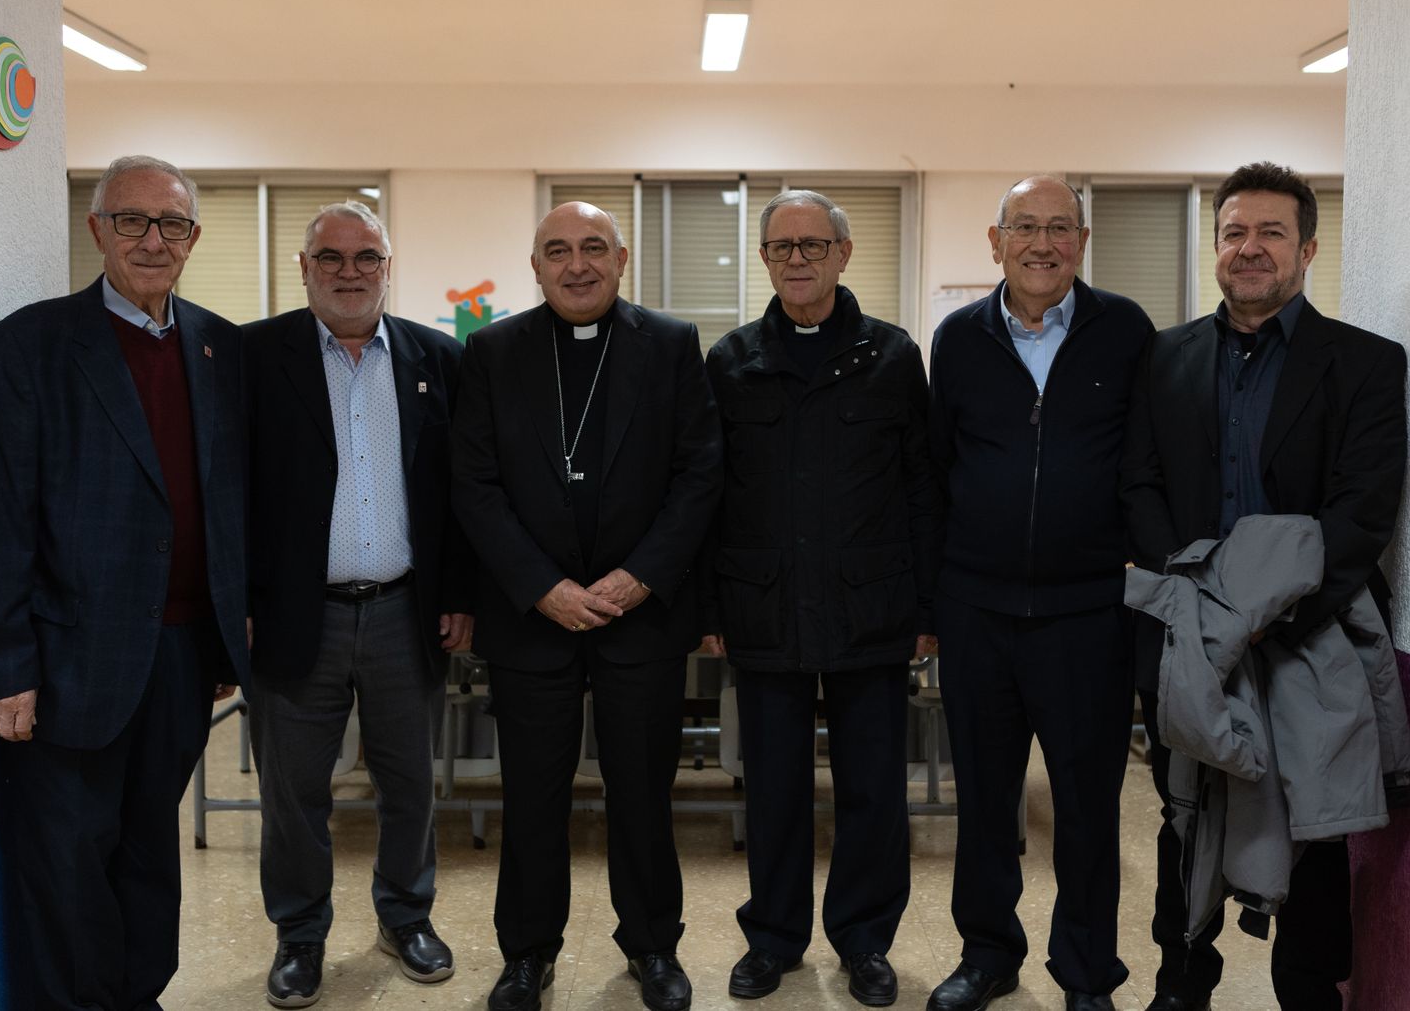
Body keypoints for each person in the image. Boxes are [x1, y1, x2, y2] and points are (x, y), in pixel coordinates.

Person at [0, 154, 248, 1009]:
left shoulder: (219, 345)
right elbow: (1, 511)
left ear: (193, 237)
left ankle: (138, 996)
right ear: (97, 230)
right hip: (69, 661)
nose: (153, 240)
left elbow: (227, 499)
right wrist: (5, 667)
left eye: (172, 224)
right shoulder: (32, 344)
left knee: (151, 852)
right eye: (132, 221)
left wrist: (226, 632)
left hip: (182, 652)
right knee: (67, 860)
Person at [1120, 161, 1408, 1011]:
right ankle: (1182, 984)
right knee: (1186, 814)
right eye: (1235, 232)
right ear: (1214, 245)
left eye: (1271, 233)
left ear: (1308, 248)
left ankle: (1308, 992)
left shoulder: (1365, 363)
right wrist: (1205, 610)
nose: (1250, 248)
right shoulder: (1162, 357)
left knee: (1315, 827)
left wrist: (1265, 615)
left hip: (1309, 639)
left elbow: (1363, 511)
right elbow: (1138, 487)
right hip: (1189, 640)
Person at [451, 201, 723, 1011]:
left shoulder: (670, 345)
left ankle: (653, 946)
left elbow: (699, 473)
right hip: (532, 620)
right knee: (533, 797)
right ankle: (527, 953)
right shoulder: (493, 351)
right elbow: (473, 483)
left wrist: (640, 576)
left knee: (643, 794)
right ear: (535, 266)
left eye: (594, 247)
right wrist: (542, 587)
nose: (578, 265)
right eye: (559, 250)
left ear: (622, 259)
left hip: (640, 617)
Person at [700, 189, 941, 1007]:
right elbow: (709, 493)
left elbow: (921, 487)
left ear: (843, 253)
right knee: (773, 788)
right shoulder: (731, 360)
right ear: (765, 259)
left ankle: (865, 942)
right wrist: (708, 610)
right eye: (782, 247)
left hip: (871, 608)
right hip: (763, 607)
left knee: (873, 790)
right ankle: (773, 939)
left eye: (812, 244)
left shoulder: (893, 356)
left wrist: (928, 611)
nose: (797, 259)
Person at [927, 176, 1153, 1011]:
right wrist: (933, 605)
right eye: (1025, 227)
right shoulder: (958, 338)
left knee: (1088, 808)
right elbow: (936, 471)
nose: (1043, 244)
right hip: (977, 611)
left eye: (1061, 228)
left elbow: (1146, 460)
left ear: (1082, 243)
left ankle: (1087, 971)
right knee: (986, 804)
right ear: (996, 241)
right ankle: (988, 955)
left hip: (1088, 614)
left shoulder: (1124, 330)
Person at [243, 200, 472, 1008]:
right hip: (293, 616)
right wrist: (240, 602)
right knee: (294, 793)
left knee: (409, 784)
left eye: (366, 256)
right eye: (331, 258)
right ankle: (300, 934)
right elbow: (229, 491)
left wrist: (459, 594)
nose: (350, 272)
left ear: (387, 266)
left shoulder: (437, 357)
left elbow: (459, 493)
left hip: (407, 613)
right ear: (305, 268)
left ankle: (406, 917)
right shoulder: (252, 356)